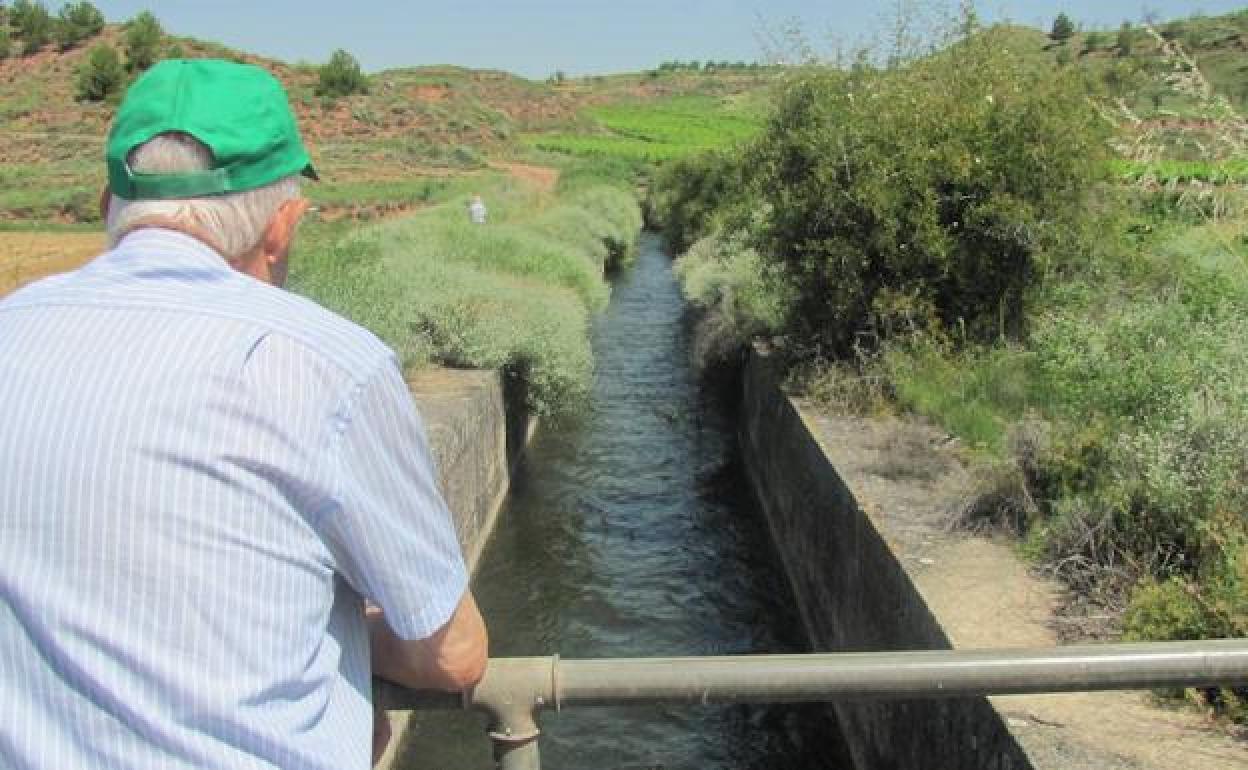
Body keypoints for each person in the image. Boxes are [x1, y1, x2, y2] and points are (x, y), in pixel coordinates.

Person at [0, 59, 487, 770]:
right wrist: (337, 632)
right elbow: (455, 653)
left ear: (110, 203)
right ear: (281, 226)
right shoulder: (330, 365)